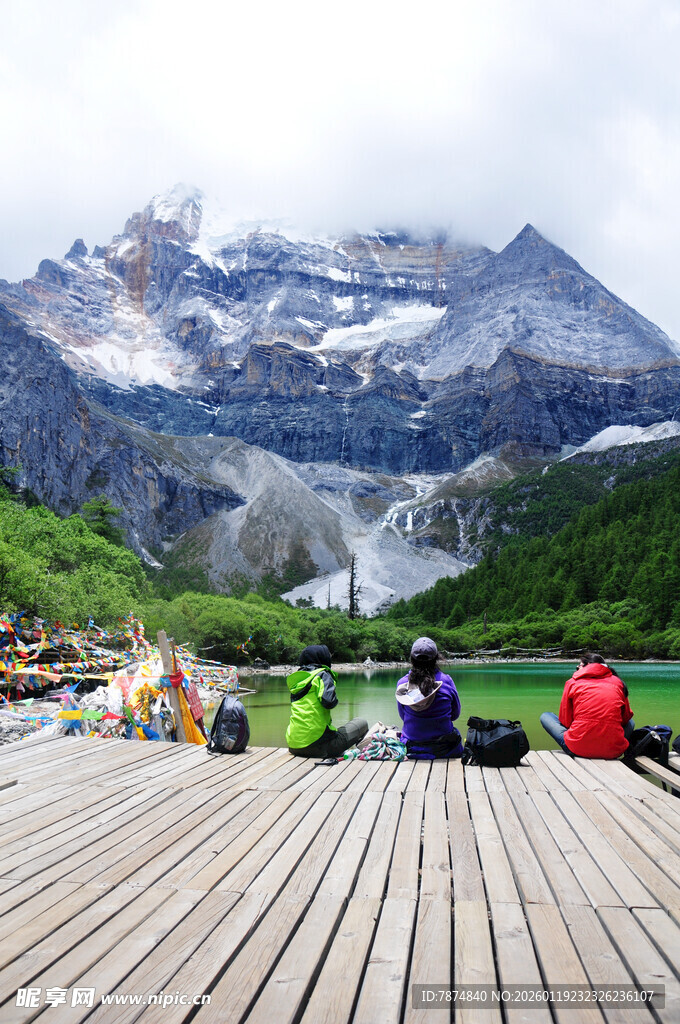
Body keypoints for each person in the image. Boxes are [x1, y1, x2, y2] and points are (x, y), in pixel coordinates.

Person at [540, 653, 634, 758]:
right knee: (631, 721)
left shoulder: (572, 682)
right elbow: (625, 718)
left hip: (578, 749)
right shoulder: (618, 682)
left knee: (546, 716)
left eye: (578, 667)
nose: (576, 670)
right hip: (613, 752)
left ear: (588, 664)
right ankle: (611, 744)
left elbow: (565, 721)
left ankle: (581, 743)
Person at [286, 644, 368, 757]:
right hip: (319, 747)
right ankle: (361, 753)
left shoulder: (297, 680)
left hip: (294, 745)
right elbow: (330, 702)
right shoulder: (322, 675)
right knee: (361, 722)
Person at [396, 637, 463, 759]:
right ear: (436, 658)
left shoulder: (402, 684)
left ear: (412, 658)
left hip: (411, 748)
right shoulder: (446, 681)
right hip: (444, 748)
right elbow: (455, 715)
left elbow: (403, 716)